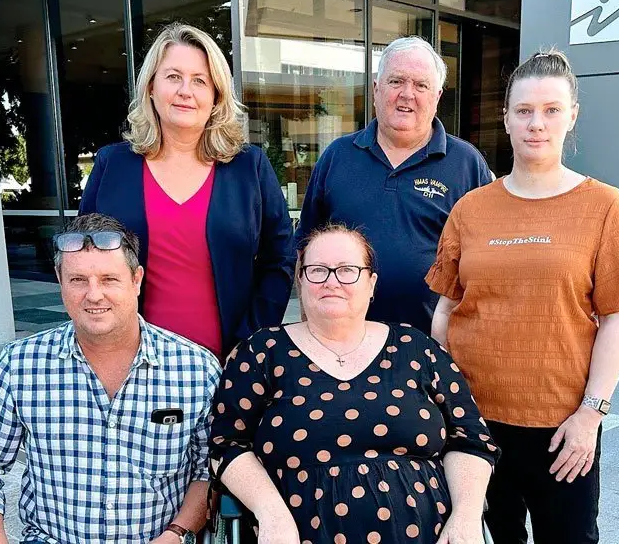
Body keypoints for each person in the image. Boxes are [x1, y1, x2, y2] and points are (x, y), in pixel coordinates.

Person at [427, 50, 619, 544]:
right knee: (497, 535)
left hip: (562, 426)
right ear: (506, 118)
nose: (536, 123)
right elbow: (446, 308)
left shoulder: (604, 207)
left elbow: (618, 317)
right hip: (476, 424)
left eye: (551, 110)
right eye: (524, 110)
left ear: (572, 115)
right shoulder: (471, 209)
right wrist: (447, 405)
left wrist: (591, 413)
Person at [210, 223, 499, 544]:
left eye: (347, 270)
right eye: (317, 270)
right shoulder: (262, 351)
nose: (332, 281)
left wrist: (466, 517)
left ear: (371, 283)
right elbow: (227, 444)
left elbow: (471, 439)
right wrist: (270, 514)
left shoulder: (417, 347)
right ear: (300, 280)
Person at [0, 214, 220, 544]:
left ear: (136, 280)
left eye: (109, 279)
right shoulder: (20, 364)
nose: (94, 295)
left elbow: (210, 468)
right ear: (60, 281)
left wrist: (176, 534)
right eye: (78, 280)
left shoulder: (195, 368)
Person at [80, 23, 295, 361]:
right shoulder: (113, 164)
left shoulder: (248, 167)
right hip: (131, 361)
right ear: (151, 87)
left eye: (199, 80)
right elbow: (84, 258)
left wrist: (250, 341)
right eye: (173, 77)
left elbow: (280, 259)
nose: (185, 91)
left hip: (229, 361)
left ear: (216, 96)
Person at [295, 36, 492, 335]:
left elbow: (484, 263)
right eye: (396, 81)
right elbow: (305, 248)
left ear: (437, 96)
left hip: (432, 344)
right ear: (376, 89)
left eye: (421, 85)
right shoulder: (338, 156)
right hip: (340, 342)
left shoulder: (466, 164)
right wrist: (308, 327)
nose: (407, 94)